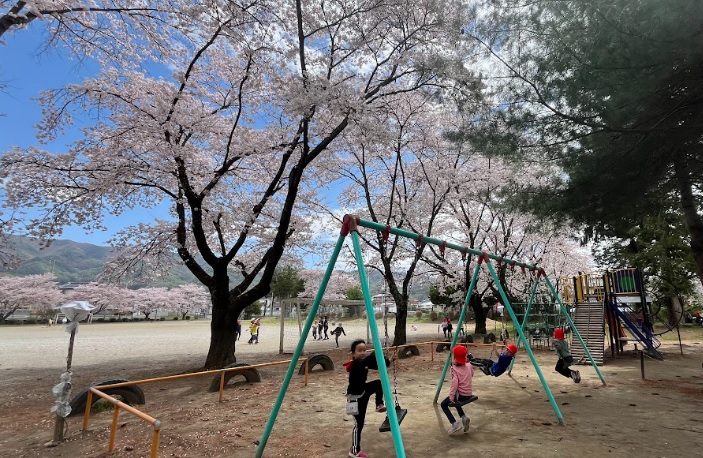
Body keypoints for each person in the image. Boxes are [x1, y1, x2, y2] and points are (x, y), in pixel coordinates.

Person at [345, 339, 390, 458]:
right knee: (358, 424)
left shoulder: (364, 362)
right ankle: (354, 450)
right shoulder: (356, 363)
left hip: (363, 392)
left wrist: (389, 361)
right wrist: (377, 349)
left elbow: (378, 365)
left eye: (364, 350)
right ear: (353, 353)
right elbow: (370, 359)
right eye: (359, 350)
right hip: (355, 398)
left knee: (377, 383)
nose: (362, 352)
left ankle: (379, 404)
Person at [440, 346, 474, 435]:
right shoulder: (469, 365)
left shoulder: (454, 369)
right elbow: (472, 374)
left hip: (461, 396)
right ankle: (463, 417)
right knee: (456, 399)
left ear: (455, 357)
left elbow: (454, 383)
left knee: (444, 404)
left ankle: (454, 424)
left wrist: (451, 395)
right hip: (469, 394)